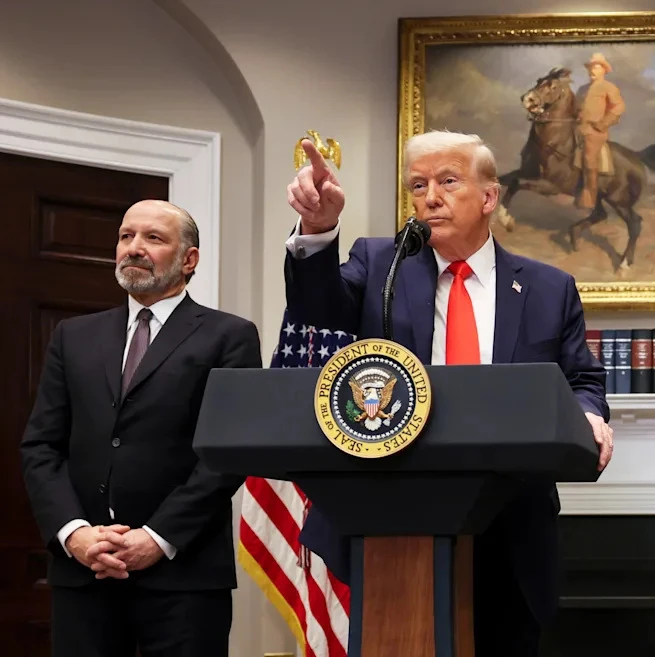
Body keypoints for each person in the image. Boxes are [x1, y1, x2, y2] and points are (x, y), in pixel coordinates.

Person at [284, 130, 613, 656]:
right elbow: (317, 310)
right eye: (418, 185)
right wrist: (319, 230)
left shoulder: (549, 288)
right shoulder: (380, 265)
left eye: (447, 181)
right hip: (388, 515)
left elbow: (582, 380)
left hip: (509, 520)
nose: (429, 197)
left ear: (489, 197)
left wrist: (588, 415)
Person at [21, 200, 262, 657]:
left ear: (188, 259)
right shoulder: (74, 336)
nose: (134, 248)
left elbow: (226, 455)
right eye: (126, 236)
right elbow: (41, 447)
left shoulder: (229, 336)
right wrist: (74, 534)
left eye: (153, 238)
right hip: (83, 574)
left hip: (183, 579)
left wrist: (155, 538)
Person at [575, 52, 625, 209]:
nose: (592, 71)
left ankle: (590, 196)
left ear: (604, 70)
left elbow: (619, 106)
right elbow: (576, 107)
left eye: (596, 67)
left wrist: (603, 123)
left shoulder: (609, 87)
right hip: (578, 128)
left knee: (590, 159)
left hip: (595, 131)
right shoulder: (582, 89)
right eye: (590, 68)